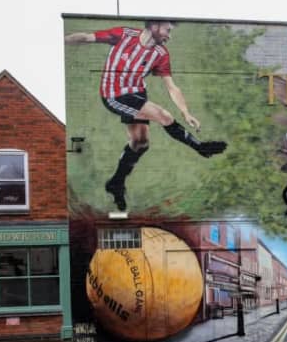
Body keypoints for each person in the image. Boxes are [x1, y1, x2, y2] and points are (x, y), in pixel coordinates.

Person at [65, 20, 227, 211]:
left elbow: (172, 87)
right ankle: (200, 147)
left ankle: (116, 183)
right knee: (163, 115)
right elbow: (86, 37)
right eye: (167, 30)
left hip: (137, 93)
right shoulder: (123, 35)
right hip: (114, 94)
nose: (169, 35)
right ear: (154, 26)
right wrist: (59, 41)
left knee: (140, 143)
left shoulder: (161, 54)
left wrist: (186, 112)